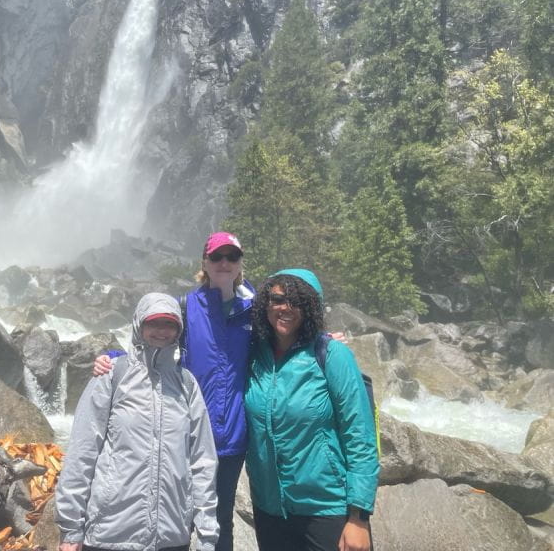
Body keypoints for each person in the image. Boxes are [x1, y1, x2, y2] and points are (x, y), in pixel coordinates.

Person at [94, 232, 254, 551]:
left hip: (232, 436)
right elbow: (156, 342)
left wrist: (323, 339)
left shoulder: (254, 309)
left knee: (220, 519)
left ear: (240, 264)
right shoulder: (186, 306)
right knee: (175, 515)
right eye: (216, 256)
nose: (224, 262)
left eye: (231, 257)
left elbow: (284, 339)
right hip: (184, 431)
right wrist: (113, 358)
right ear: (205, 263)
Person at [55, 292, 219, 551]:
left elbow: (203, 461)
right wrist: (70, 529)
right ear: (138, 325)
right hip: (109, 533)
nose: (161, 330)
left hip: (171, 536)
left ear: (178, 330)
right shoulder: (112, 375)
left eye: (169, 324)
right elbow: (82, 452)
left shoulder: (186, 384)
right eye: (153, 323)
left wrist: (207, 533)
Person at [245, 269, 379, 551]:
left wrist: (359, 517)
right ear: (265, 303)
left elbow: (360, 436)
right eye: (278, 299)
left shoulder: (332, 355)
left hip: (325, 506)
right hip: (269, 507)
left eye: (298, 301)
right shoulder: (254, 355)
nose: (286, 308)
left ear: (312, 307)